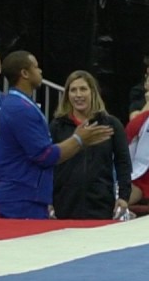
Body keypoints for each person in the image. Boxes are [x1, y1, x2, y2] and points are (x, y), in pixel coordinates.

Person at [0, 52, 113, 219]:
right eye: (36, 67)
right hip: (22, 196)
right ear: (25, 74)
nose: (40, 71)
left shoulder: (19, 104)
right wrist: (78, 139)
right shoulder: (20, 109)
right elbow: (43, 155)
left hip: (26, 194)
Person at [51, 70, 133, 220]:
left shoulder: (111, 124)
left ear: (92, 92)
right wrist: (47, 200)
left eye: (83, 89)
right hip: (64, 202)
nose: (78, 95)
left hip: (101, 202)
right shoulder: (57, 126)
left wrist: (124, 196)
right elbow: (48, 163)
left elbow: (123, 163)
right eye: (73, 90)